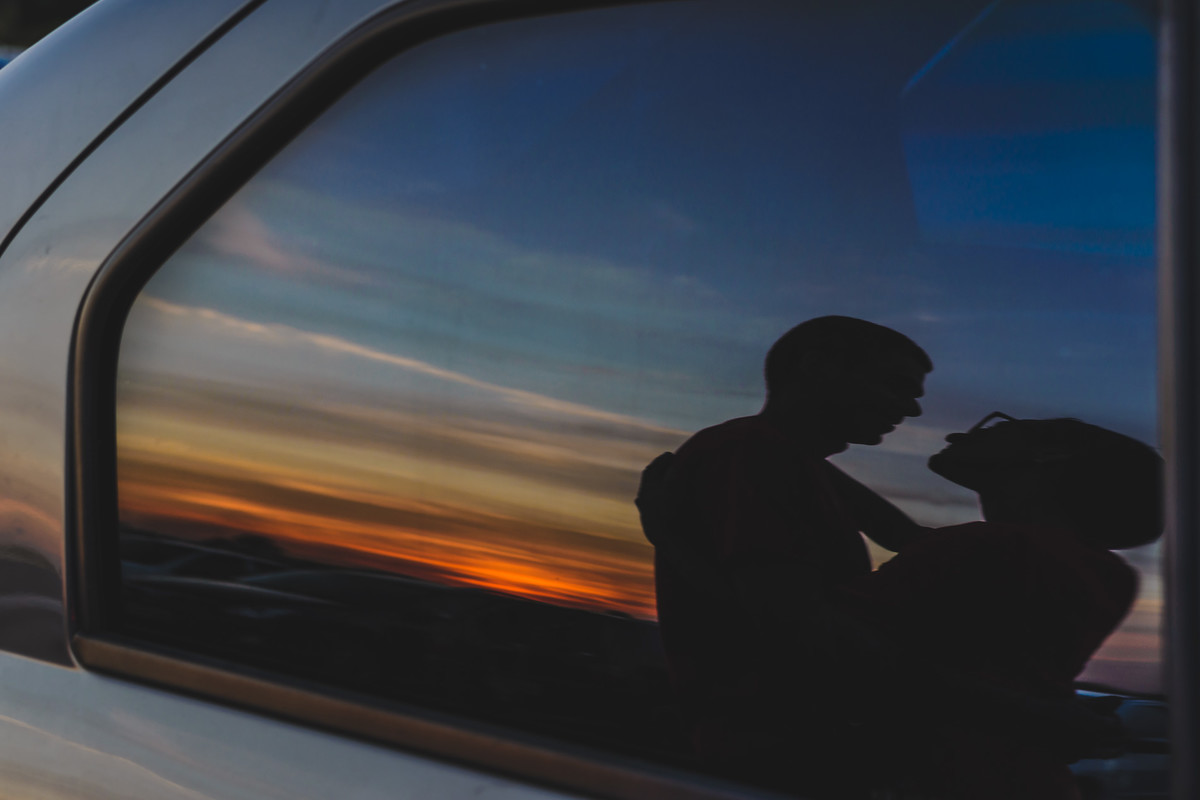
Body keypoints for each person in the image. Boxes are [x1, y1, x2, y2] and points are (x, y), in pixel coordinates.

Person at [640, 315, 931, 796]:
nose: (914, 409)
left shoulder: (783, 457)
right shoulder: (753, 453)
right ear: (817, 368)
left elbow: (905, 536)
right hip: (781, 757)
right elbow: (790, 623)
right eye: (896, 385)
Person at [836, 413, 1162, 799]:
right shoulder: (1108, 574)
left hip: (940, 779)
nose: (961, 430)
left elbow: (828, 638)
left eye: (1002, 425)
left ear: (1049, 454)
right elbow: (914, 540)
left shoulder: (981, 548)